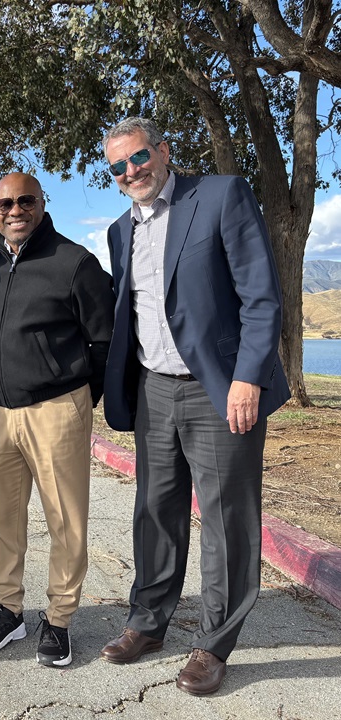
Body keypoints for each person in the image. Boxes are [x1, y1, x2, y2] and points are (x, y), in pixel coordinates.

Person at [99, 117, 290, 695]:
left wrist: (248, 378)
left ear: (161, 150)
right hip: (155, 387)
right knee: (155, 509)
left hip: (220, 387)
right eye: (118, 167)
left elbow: (261, 295)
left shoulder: (220, 195)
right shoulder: (117, 230)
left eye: (138, 158)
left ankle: (214, 642)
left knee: (226, 517)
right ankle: (148, 621)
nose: (131, 172)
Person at [0, 172, 114, 666]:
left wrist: (81, 397)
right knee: (1, 522)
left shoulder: (74, 262)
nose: (14, 210)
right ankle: (8, 611)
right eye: (3, 203)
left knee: (65, 521)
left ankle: (59, 619)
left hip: (57, 409)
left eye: (24, 200)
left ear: (41, 203)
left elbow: (104, 340)